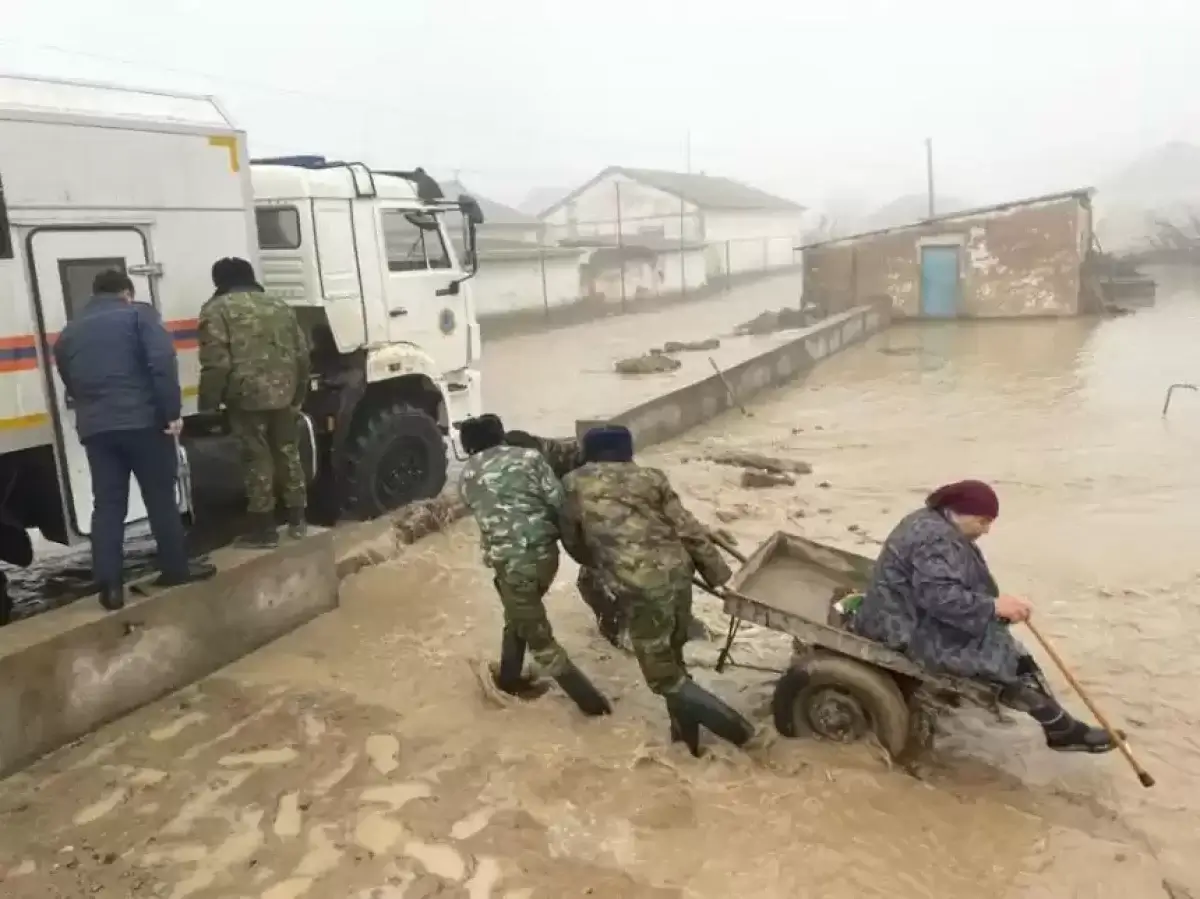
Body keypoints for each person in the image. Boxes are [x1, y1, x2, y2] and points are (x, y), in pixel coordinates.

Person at [849, 479, 1116, 754]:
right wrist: (993, 607)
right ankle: (1059, 727)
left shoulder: (933, 521)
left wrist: (996, 606)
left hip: (904, 611)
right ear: (961, 512)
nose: (986, 530)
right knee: (999, 659)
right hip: (901, 626)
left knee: (1007, 649)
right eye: (982, 522)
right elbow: (939, 597)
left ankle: (1056, 723)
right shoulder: (935, 538)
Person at [558, 425, 754, 756]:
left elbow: (572, 540)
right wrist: (718, 575)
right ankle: (686, 742)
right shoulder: (652, 477)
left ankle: (742, 734)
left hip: (639, 588)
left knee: (663, 679)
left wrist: (602, 561)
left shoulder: (573, 484)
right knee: (673, 661)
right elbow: (688, 529)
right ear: (628, 451)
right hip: (678, 576)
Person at [53, 269, 216, 611]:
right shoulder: (139, 316)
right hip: (143, 423)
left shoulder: (70, 331)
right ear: (126, 292)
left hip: (97, 429)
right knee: (159, 497)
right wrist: (171, 411)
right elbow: (161, 363)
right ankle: (175, 569)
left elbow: (68, 376)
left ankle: (110, 586)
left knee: (108, 505)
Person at [458, 413, 612, 717]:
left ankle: (594, 707)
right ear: (500, 434)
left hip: (511, 566)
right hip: (545, 558)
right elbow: (559, 502)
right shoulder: (531, 457)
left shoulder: (467, 474)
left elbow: (474, 506)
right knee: (518, 616)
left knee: (541, 642)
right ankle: (510, 678)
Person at [198, 258, 310, 548]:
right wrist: (298, 393)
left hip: (246, 398)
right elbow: (302, 355)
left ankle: (265, 530)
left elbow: (216, 364)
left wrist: (208, 405)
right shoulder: (280, 306)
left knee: (256, 459)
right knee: (288, 453)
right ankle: (298, 521)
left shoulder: (216, 310)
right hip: (284, 393)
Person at [504, 428, 626, 646]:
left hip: (608, 510)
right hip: (607, 510)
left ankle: (619, 629)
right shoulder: (536, 460)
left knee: (593, 580)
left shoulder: (567, 460)